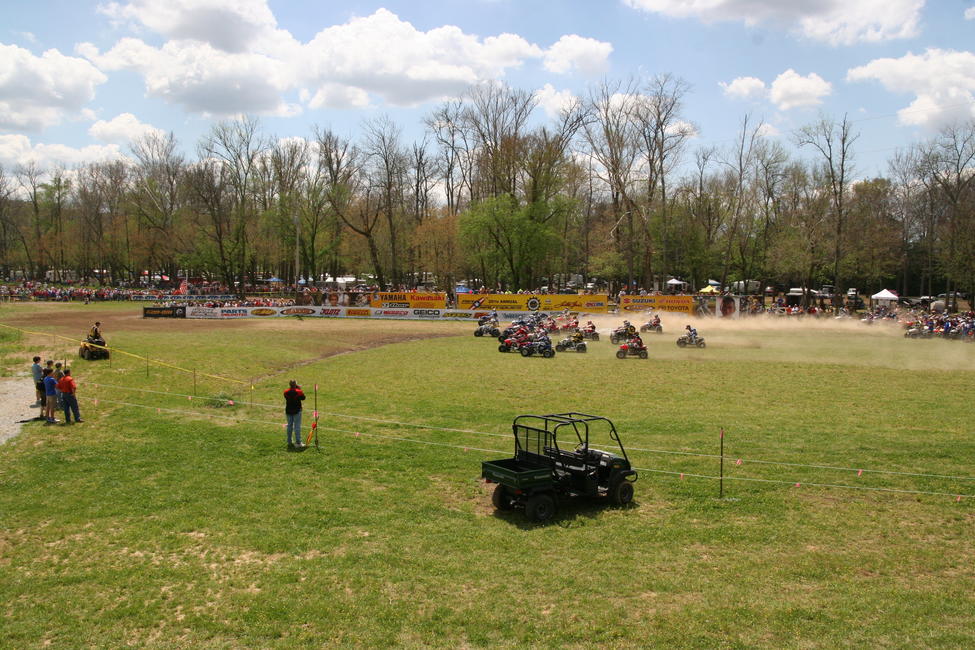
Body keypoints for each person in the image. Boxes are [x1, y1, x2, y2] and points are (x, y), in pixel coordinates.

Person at [283, 380, 305, 450]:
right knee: (297, 427)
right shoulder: (299, 391)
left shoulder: (285, 392)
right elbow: (303, 398)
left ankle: (289, 441)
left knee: (289, 426)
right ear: (295, 384)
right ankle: (298, 442)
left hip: (288, 410)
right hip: (297, 411)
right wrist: (299, 389)